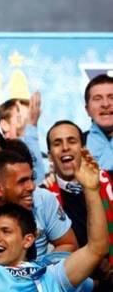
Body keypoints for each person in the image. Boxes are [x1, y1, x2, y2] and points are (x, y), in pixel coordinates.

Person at [0, 132, 108, 291]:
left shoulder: (48, 277)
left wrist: (91, 190)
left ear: (28, 240)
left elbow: (96, 249)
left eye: (6, 231)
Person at [45, 120, 113, 288]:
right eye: (57, 143)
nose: (65, 147)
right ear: (50, 155)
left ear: (83, 150)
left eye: (72, 141)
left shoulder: (110, 181)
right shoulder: (42, 196)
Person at [0, 92, 47, 186]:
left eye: (28, 119)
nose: (27, 124)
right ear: (5, 125)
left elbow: (39, 180)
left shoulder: (44, 158)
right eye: (20, 118)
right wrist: (31, 127)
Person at [84, 74, 113, 170]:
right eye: (97, 99)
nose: (106, 104)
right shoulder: (75, 145)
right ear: (87, 110)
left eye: (112, 97)